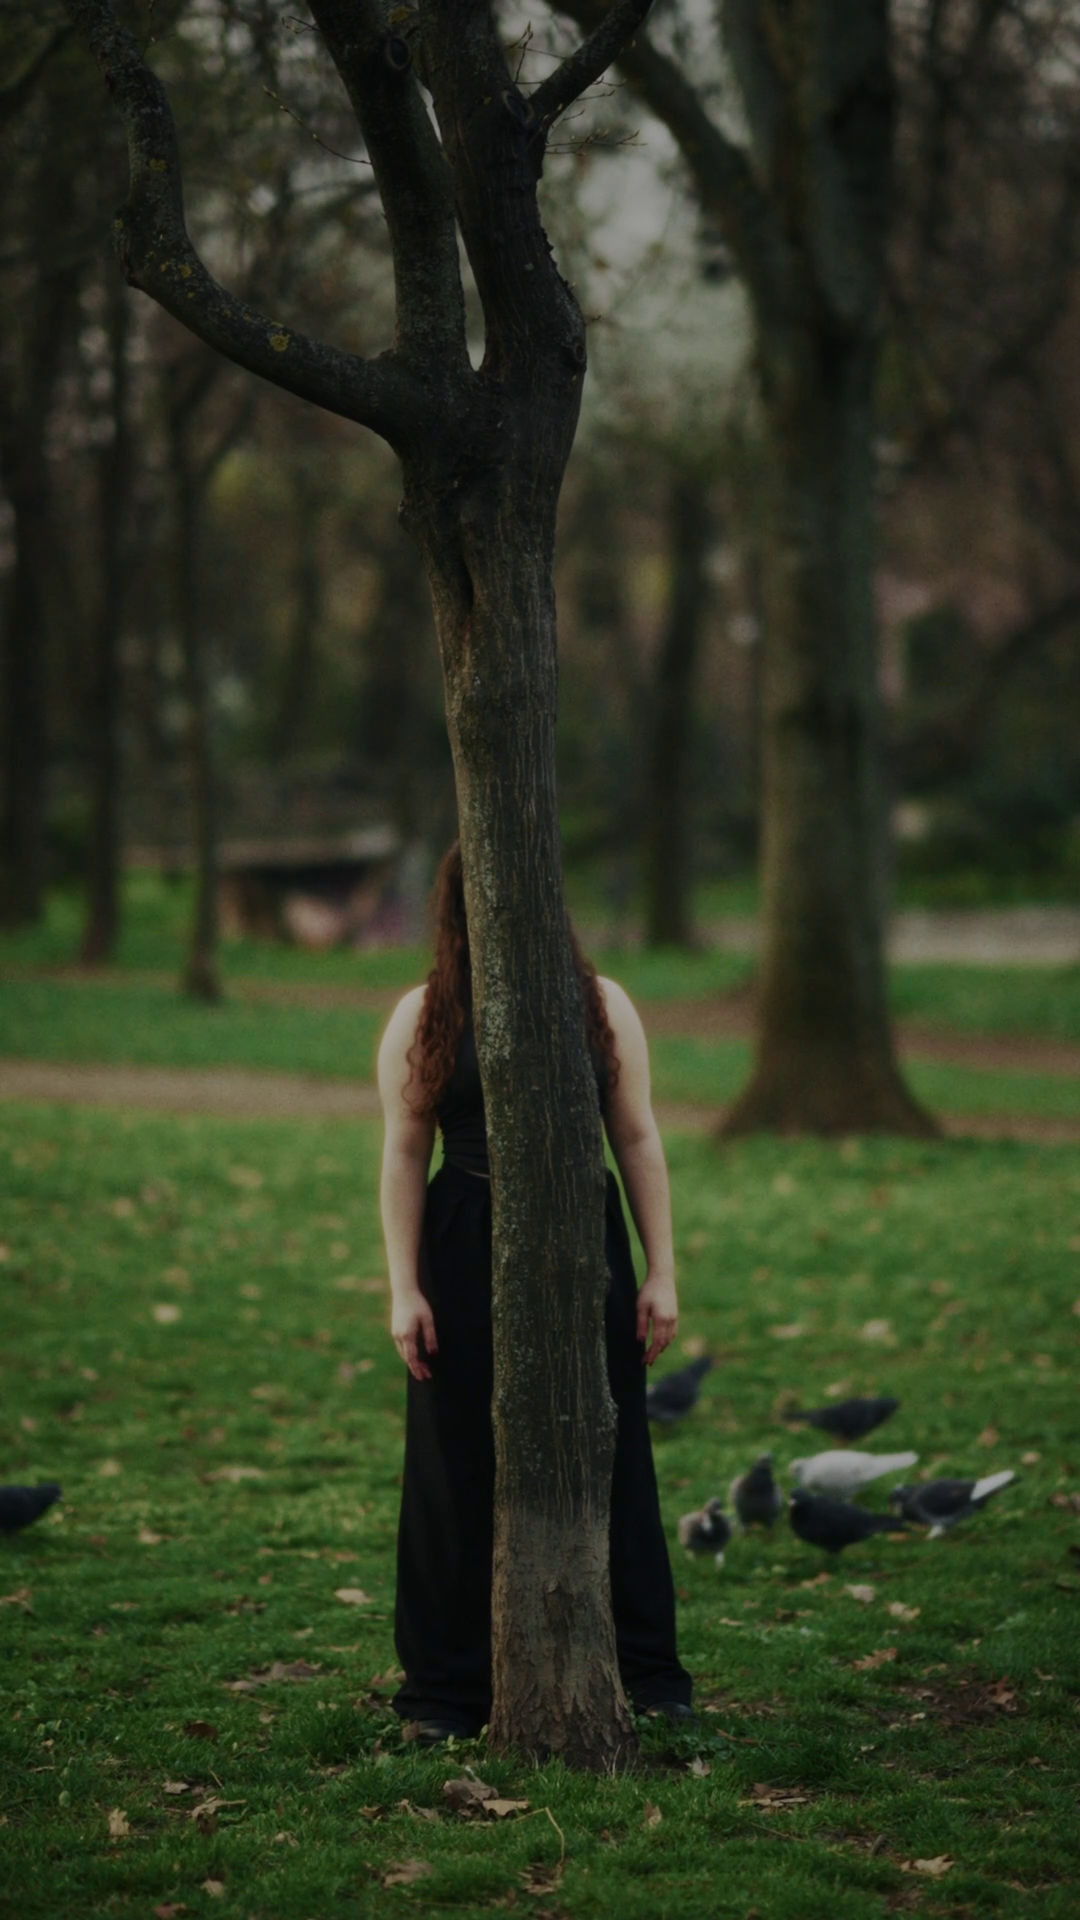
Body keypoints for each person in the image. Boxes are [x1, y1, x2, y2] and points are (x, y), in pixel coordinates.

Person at [377, 841, 693, 1743]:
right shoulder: (425, 1013)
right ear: (460, 904)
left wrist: (661, 1269)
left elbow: (636, 1137)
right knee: (452, 1463)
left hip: (582, 1240)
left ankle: (648, 1674)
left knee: (613, 1446)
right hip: (461, 1241)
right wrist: (404, 1287)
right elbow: (403, 1150)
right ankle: (444, 1692)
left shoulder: (602, 1004)